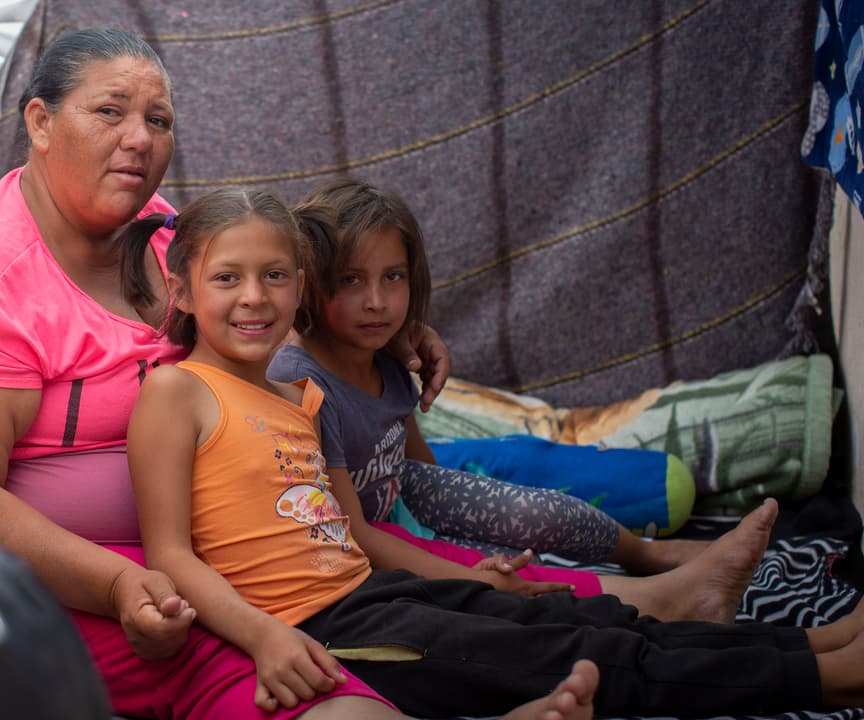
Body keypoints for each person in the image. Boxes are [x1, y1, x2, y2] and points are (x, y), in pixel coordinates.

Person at [0, 26, 465, 720]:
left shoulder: (161, 234)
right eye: (111, 111)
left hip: (239, 540)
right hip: (69, 588)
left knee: (443, 601)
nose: (140, 138)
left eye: (158, 120)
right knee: (311, 686)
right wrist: (119, 584)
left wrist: (391, 334)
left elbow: (267, 283)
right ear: (39, 122)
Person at [124, 185, 864, 719]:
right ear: (181, 287)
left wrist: (463, 576)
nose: (254, 296)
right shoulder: (177, 393)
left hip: (374, 595)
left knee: (579, 623)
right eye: (228, 278)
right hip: (327, 629)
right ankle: (829, 680)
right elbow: (171, 553)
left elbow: (351, 534)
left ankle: (812, 647)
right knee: (582, 661)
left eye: (273, 276)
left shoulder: (300, 397)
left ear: (297, 290)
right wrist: (266, 636)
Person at [267, 176, 711, 579]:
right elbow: (355, 533)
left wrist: (475, 516)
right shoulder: (301, 381)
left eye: (393, 277)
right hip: (356, 545)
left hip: (400, 503)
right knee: (511, 577)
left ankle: (649, 555)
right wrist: (468, 569)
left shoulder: (389, 350)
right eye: (351, 280)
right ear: (309, 283)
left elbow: (420, 468)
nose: (377, 301)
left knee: (538, 513)